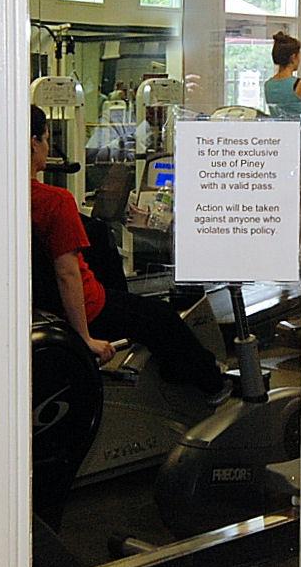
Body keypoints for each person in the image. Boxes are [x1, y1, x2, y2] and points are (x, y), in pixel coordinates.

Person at [30, 105, 228, 401]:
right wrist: (84, 338)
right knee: (163, 318)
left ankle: (175, 371)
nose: (49, 147)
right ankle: (213, 386)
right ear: (34, 143)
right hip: (88, 308)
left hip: (45, 304)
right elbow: (67, 274)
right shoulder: (55, 201)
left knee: (100, 237)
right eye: (46, 139)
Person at [263, 31, 301, 119]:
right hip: (297, 127)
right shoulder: (299, 84)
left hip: (277, 127)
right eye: (299, 55)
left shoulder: (268, 85)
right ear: (293, 57)